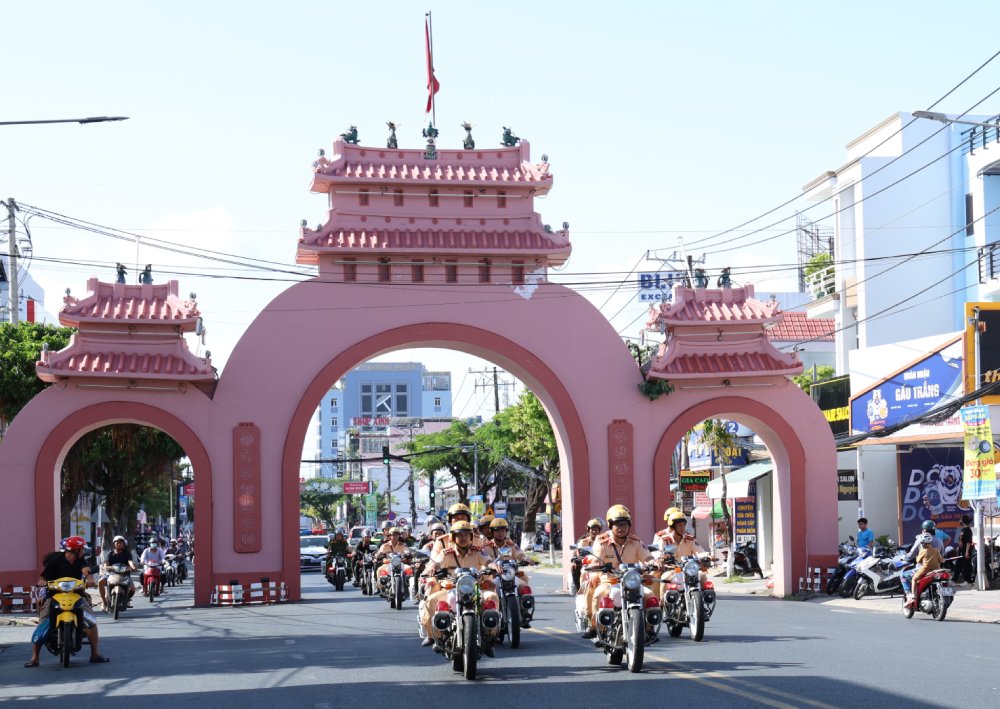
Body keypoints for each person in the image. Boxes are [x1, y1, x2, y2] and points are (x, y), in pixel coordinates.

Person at [24, 536, 109, 667]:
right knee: (43, 620)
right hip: (54, 595)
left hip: (77, 595)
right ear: (74, 550)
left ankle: (95, 654)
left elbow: (86, 570)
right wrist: (42, 582)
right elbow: (43, 577)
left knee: (91, 620)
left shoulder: (80, 560)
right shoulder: (55, 560)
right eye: (81, 549)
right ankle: (35, 658)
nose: (83, 552)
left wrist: (90, 579)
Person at [419, 520, 499, 654]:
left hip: (475, 589)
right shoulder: (446, 553)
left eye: (466, 535)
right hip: (451, 589)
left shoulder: (478, 551)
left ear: (471, 537)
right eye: (459, 535)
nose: (463, 538)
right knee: (431, 600)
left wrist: (493, 566)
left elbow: (488, 561)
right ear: (453, 537)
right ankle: (435, 637)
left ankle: (490, 638)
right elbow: (437, 562)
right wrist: (433, 567)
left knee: (492, 597)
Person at [583, 504, 655, 639]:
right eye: (617, 524)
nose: (621, 528)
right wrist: (596, 563)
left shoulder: (636, 542)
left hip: (631, 581)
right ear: (611, 526)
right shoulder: (601, 541)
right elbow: (595, 556)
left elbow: (647, 556)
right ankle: (596, 628)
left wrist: (653, 562)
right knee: (598, 594)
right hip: (610, 581)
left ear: (629, 525)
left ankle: (648, 628)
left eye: (624, 524)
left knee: (650, 595)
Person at [902, 533, 943, 608]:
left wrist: (918, 557)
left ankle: (913, 597)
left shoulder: (923, 550)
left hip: (925, 570)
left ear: (923, 543)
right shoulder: (936, 550)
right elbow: (941, 560)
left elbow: (918, 561)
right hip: (936, 570)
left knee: (913, 579)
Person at [98, 535, 137, 609]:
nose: (119, 544)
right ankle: (104, 601)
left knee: (132, 589)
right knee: (100, 582)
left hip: (124, 574)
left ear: (124, 544)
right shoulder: (110, 554)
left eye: (120, 543)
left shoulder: (127, 553)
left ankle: (126, 599)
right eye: (117, 543)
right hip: (111, 573)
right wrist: (106, 567)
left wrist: (133, 567)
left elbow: (130, 561)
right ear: (114, 544)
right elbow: (106, 562)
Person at [952, 514, 974, 585]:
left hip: (965, 551)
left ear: (963, 521)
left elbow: (968, 542)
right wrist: (958, 548)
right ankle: (954, 580)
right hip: (961, 551)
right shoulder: (962, 529)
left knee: (966, 565)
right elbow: (961, 540)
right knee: (958, 565)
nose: (960, 521)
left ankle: (968, 581)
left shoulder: (968, 530)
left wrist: (967, 552)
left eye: (961, 520)